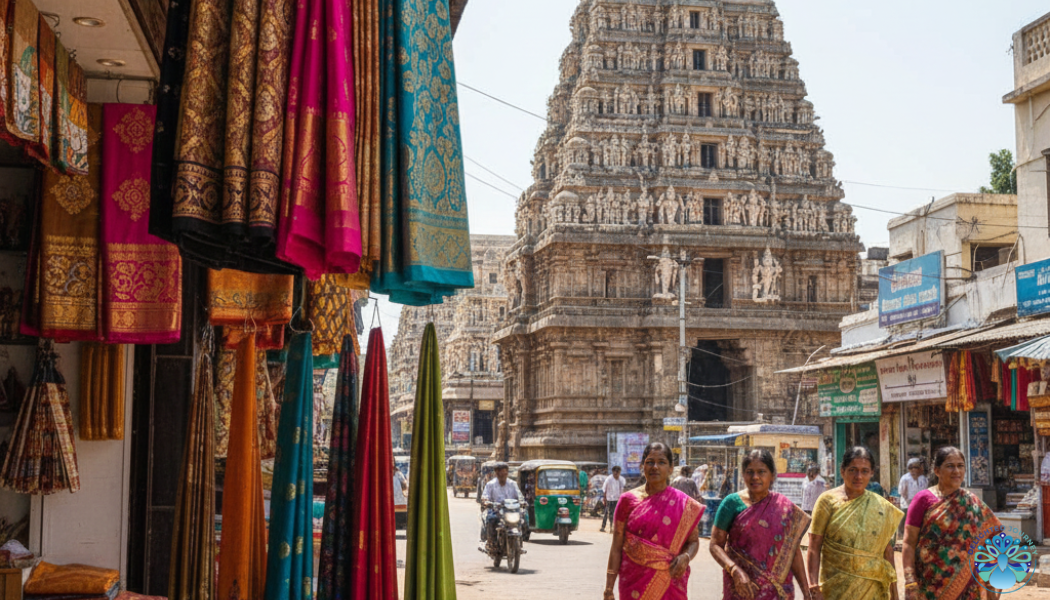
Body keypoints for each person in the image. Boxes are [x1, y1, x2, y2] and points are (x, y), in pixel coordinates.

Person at [604, 443, 704, 600]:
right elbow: (616, 546)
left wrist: (686, 557)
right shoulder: (627, 501)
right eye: (650, 462)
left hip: (669, 583)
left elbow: (693, 542)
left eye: (662, 462)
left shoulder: (684, 504)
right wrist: (609, 588)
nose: (655, 467)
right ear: (642, 466)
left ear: (671, 468)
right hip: (633, 585)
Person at [901, 446, 1002, 600]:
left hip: (969, 586)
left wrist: (990, 585)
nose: (956, 471)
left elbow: (989, 541)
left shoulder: (972, 501)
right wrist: (910, 581)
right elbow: (908, 543)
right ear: (937, 471)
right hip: (930, 586)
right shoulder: (923, 500)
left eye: (960, 466)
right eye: (950, 466)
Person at [710, 449, 812, 600]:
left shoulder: (784, 508)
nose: (755, 477)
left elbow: (793, 550)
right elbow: (715, 545)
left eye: (761, 472)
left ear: (772, 475)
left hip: (778, 592)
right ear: (743, 474)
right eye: (750, 472)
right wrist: (734, 570)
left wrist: (806, 590)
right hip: (742, 588)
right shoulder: (731, 504)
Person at [807, 447, 903, 600]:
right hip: (835, 589)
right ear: (842, 470)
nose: (858, 476)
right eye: (853, 470)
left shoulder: (880, 506)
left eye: (864, 471)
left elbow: (887, 551)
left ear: (872, 473)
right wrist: (813, 585)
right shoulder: (827, 501)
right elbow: (814, 546)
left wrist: (895, 593)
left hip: (872, 589)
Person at [480, 463, 523, 550]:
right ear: (496, 473)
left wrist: (522, 502)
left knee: (522, 519)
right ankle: (491, 542)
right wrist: (486, 501)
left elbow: (519, 496)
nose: (502, 474)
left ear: (507, 472)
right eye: (500, 472)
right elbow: (485, 496)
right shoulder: (490, 485)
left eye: (504, 471)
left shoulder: (513, 484)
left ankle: (519, 543)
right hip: (496, 510)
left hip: (511, 511)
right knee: (491, 519)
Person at [600, 465, 623, 532]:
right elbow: (604, 490)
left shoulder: (620, 480)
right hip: (609, 499)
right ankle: (604, 527)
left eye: (618, 472)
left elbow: (621, 490)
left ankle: (612, 527)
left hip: (616, 499)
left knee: (615, 513)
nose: (616, 474)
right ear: (613, 472)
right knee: (607, 513)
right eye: (615, 472)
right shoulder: (608, 479)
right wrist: (604, 499)